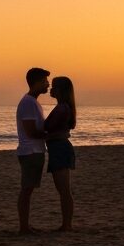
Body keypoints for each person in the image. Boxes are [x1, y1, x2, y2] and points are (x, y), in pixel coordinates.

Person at [17, 67, 51, 234]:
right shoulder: (29, 103)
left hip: (34, 151)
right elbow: (31, 132)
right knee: (27, 190)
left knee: (28, 190)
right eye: (45, 81)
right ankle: (24, 227)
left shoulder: (33, 102)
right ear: (36, 82)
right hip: (30, 152)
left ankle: (26, 225)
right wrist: (50, 133)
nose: (48, 84)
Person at [44, 76, 77, 232]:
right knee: (63, 190)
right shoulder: (62, 107)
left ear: (61, 90)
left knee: (63, 190)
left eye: (54, 86)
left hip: (60, 149)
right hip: (57, 148)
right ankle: (66, 224)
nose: (51, 89)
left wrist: (41, 136)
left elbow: (57, 133)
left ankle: (67, 225)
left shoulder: (62, 108)